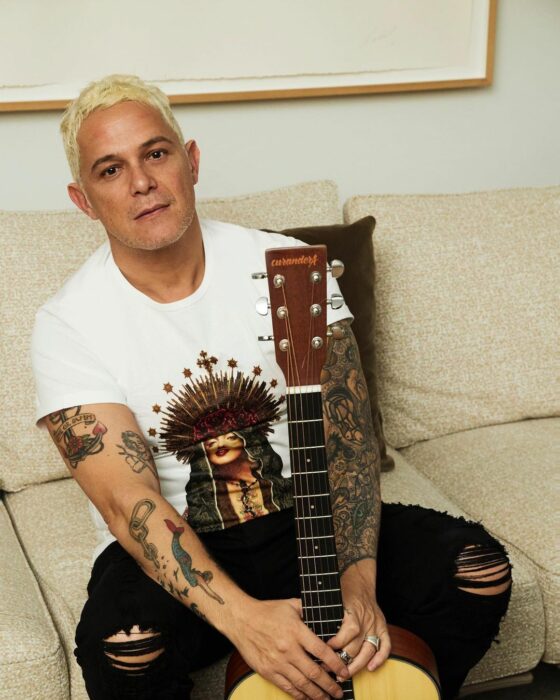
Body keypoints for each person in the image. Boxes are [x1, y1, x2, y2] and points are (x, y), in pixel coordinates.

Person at [31, 74, 512, 700]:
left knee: (477, 570)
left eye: (155, 153)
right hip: (185, 539)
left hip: (305, 519)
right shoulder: (68, 322)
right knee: (122, 647)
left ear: (191, 160)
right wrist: (243, 620)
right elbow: (129, 502)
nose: (142, 181)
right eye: (110, 169)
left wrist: (358, 585)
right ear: (83, 200)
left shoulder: (289, 266)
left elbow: (349, 444)